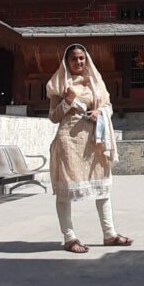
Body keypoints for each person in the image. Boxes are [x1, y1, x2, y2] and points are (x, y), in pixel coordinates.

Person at [46, 43, 133, 253]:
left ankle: (109, 234)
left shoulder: (95, 82)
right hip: (70, 141)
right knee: (66, 190)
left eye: (82, 58)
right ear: (67, 62)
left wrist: (99, 113)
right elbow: (53, 117)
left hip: (95, 140)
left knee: (102, 187)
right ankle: (69, 237)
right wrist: (67, 102)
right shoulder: (59, 84)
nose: (79, 62)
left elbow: (108, 107)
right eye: (74, 58)